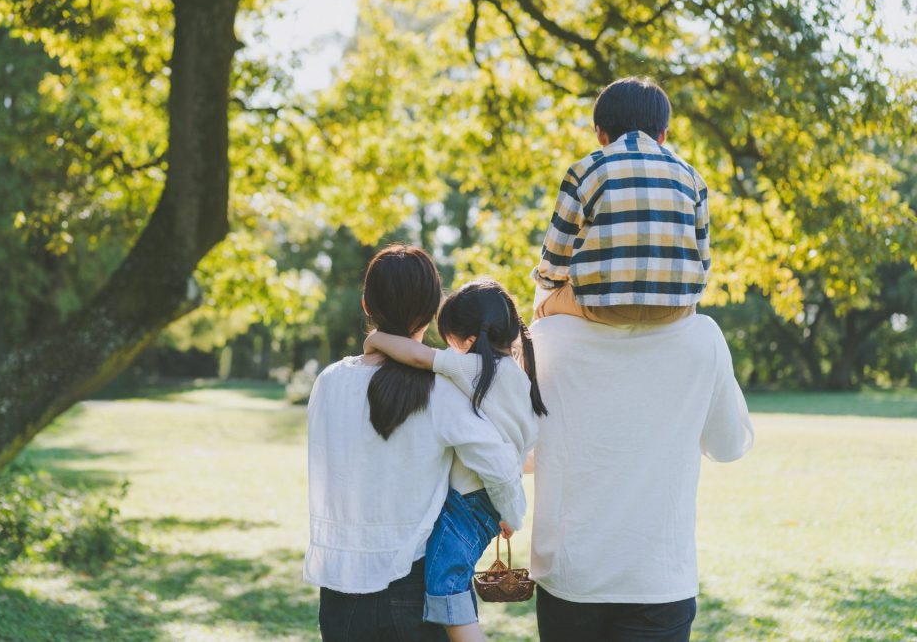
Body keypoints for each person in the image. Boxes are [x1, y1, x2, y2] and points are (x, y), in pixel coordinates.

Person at [304, 245, 526, 642]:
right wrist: (512, 512)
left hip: (338, 590)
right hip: (414, 584)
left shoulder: (329, 381)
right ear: (432, 311)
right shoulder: (442, 388)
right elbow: (499, 465)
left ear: (366, 303)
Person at [529, 309, 754, 641]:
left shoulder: (547, 335)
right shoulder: (702, 337)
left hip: (571, 570)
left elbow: (522, 444)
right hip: (657, 574)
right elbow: (728, 445)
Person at [365, 279, 546, 642]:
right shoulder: (518, 376)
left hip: (471, 498)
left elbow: (418, 356)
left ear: (469, 339)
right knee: (448, 576)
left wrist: (376, 339)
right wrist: (505, 509)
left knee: (445, 581)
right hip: (488, 498)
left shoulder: (473, 368)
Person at [532, 76, 710, 326]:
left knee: (542, 307)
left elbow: (554, 261)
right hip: (675, 308)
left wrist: (548, 284)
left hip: (603, 306)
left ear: (600, 134)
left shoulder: (586, 170)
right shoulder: (692, 177)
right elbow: (703, 259)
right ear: (663, 135)